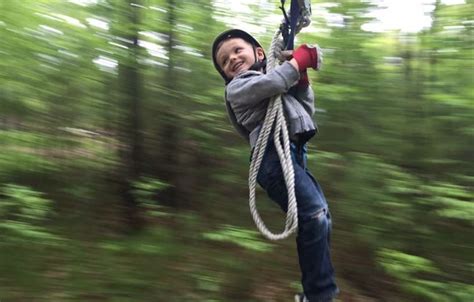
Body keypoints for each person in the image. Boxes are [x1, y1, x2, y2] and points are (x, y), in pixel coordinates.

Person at [212, 29, 339, 302]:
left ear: (259, 53)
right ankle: (320, 296)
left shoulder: (276, 80)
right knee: (314, 215)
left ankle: (315, 294)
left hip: (291, 153)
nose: (232, 59)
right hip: (271, 156)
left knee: (321, 218)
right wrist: (297, 63)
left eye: (237, 50)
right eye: (224, 61)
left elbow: (306, 109)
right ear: (225, 73)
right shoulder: (238, 88)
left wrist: (302, 78)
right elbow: (272, 83)